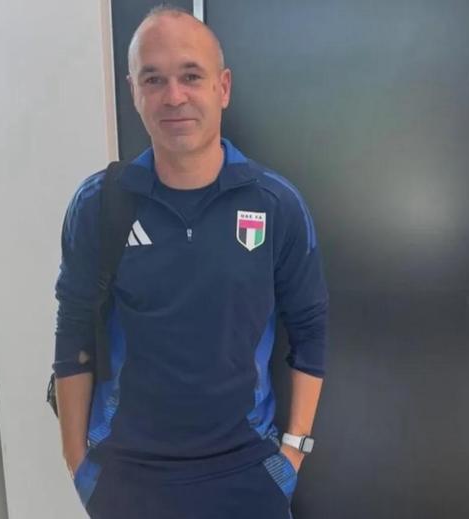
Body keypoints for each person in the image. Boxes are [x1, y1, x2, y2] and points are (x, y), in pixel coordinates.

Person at [52, 6, 329, 518]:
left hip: (248, 476)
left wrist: (292, 454)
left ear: (223, 87)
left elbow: (310, 332)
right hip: (125, 482)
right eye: (153, 79)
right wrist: (78, 464)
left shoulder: (276, 204)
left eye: (191, 76)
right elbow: (72, 335)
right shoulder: (98, 204)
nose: (173, 96)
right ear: (133, 91)